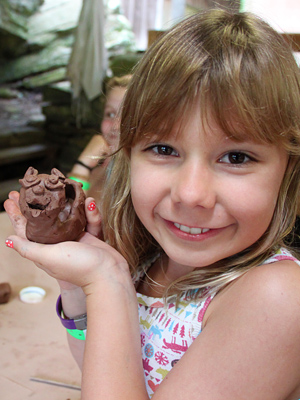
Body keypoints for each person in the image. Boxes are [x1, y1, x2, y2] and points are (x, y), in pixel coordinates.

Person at [4, 9, 300, 400]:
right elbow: (101, 370)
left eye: (237, 157)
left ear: (289, 169)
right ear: (127, 155)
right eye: (163, 149)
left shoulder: (278, 298)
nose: (191, 194)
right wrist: (76, 288)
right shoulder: (150, 257)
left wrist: (106, 282)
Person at [68, 74, 132, 201]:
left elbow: (72, 211)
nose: (115, 125)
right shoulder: (102, 169)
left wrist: (83, 165)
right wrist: (85, 164)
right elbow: (68, 203)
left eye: (128, 115)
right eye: (110, 114)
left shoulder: (138, 182)